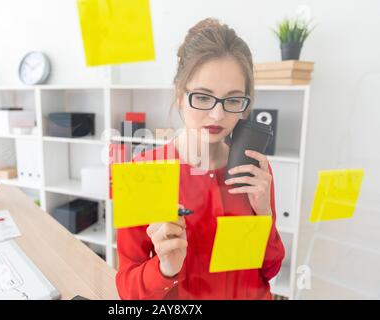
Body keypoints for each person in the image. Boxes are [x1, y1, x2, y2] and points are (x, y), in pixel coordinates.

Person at [116, 18, 285, 299]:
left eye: (233, 100)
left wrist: (264, 215)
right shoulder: (143, 172)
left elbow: (269, 270)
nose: (218, 115)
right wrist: (165, 269)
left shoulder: (253, 170)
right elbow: (128, 290)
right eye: (203, 97)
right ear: (180, 95)